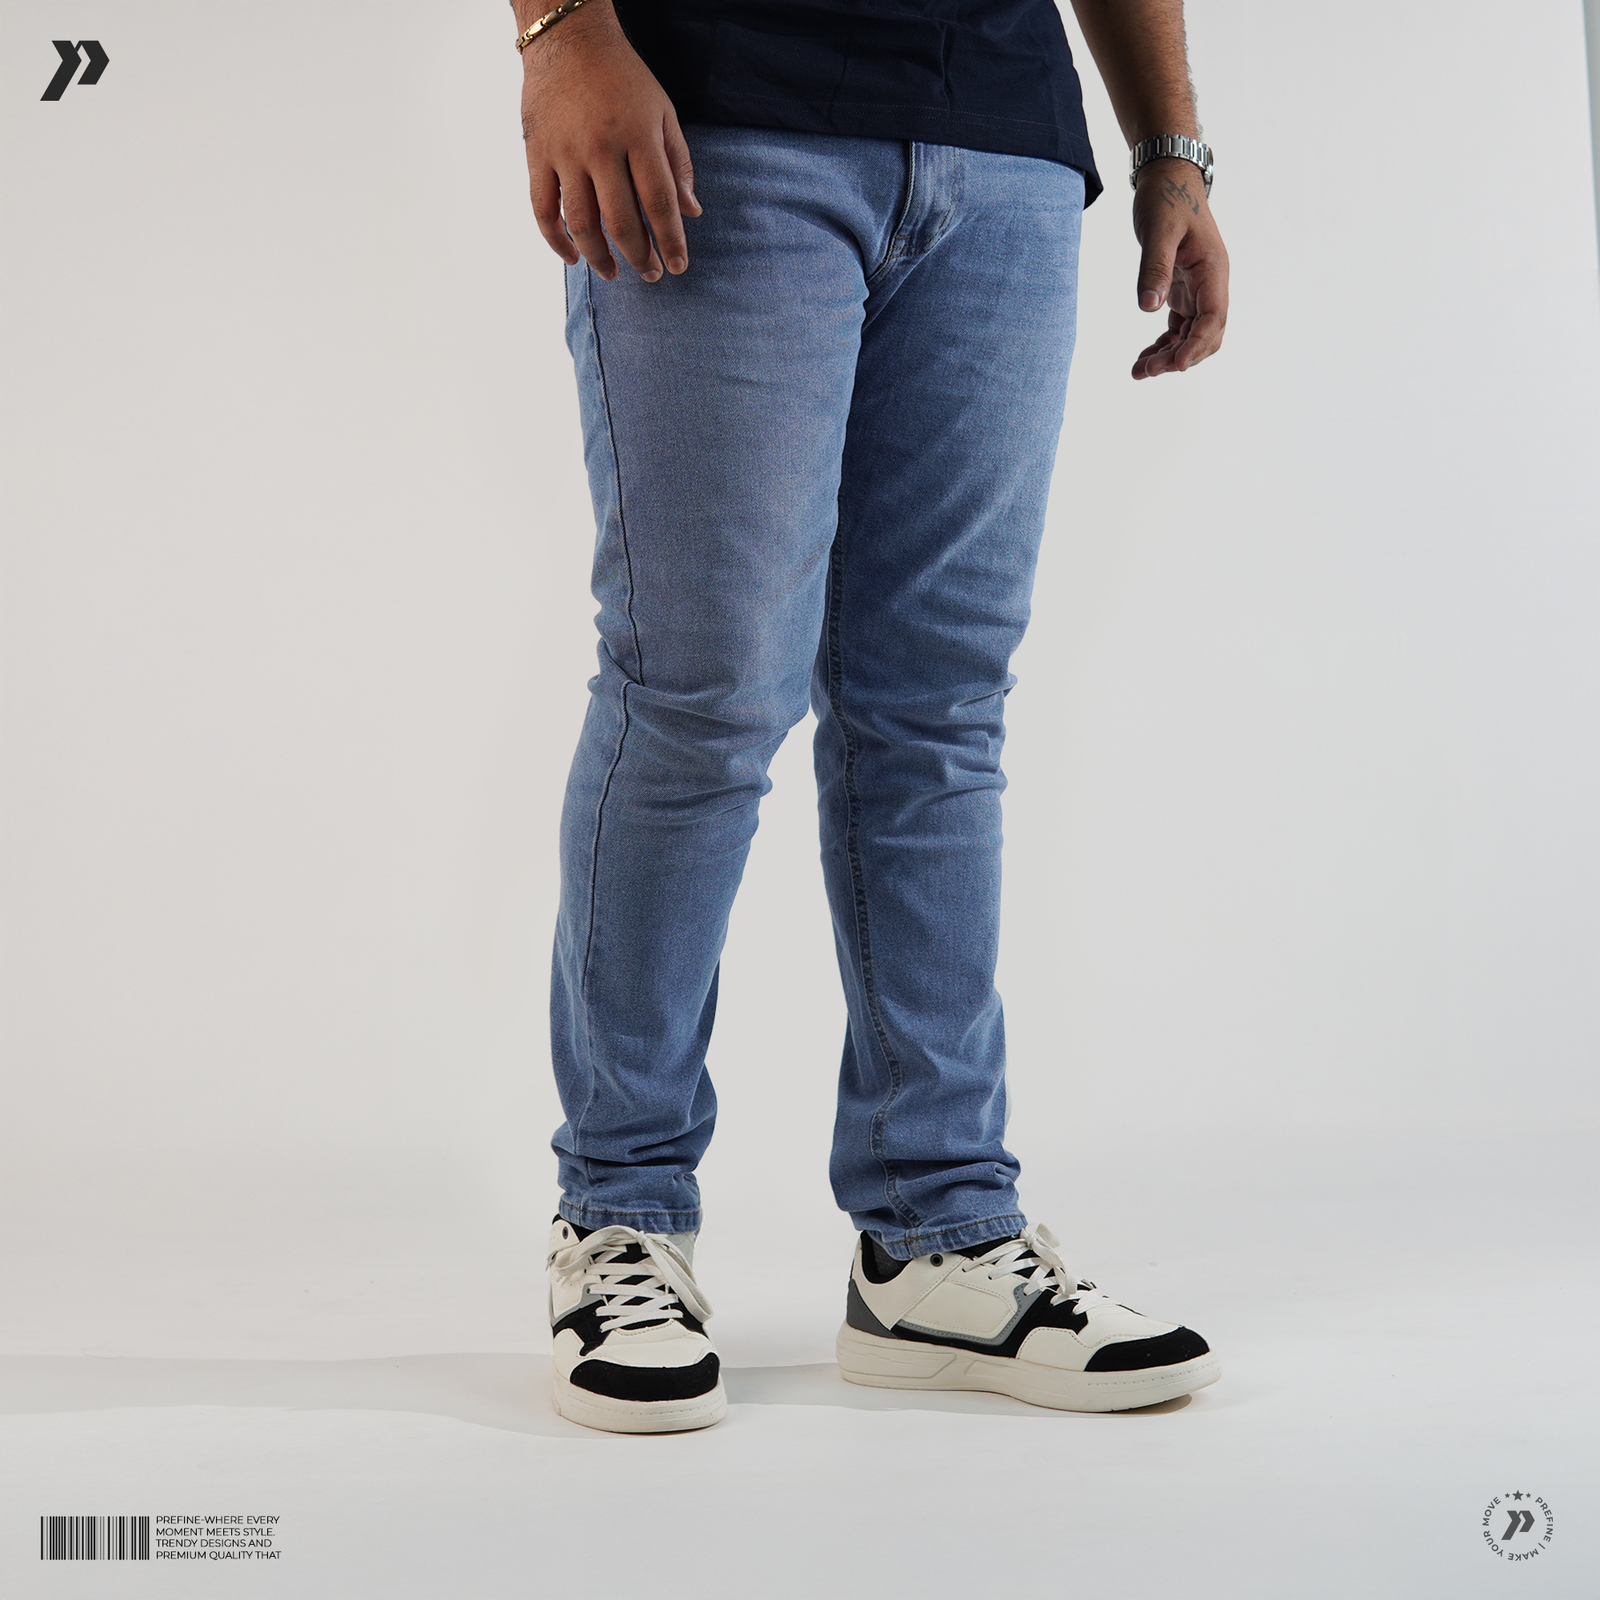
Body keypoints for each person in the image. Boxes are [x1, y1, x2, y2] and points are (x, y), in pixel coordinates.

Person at [511, 0, 1230, 1434]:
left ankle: (938, 1237)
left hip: (1005, 142)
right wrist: (564, 31)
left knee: (940, 713)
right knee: (699, 695)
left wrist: (1171, 147)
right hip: (718, 116)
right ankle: (621, 1214)